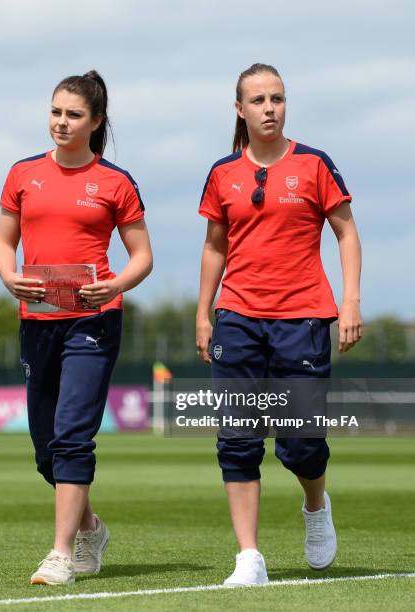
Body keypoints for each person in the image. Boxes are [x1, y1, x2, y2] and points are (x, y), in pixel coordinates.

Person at [196, 63, 362, 586]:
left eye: (278, 99)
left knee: (300, 443)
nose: (270, 108)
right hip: (238, 318)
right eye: (259, 100)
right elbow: (214, 247)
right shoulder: (223, 173)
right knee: (237, 439)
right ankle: (249, 557)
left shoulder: (314, 164)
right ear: (240, 110)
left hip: (304, 318)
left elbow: (347, 234)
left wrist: (350, 302)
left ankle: (316, 504)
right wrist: (204, 313)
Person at [0, 70, 153, 586]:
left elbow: (142, 257)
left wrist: (114, 287)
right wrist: (8, 276)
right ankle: (91, 527)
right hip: (37, 323)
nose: (62, 123)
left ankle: (61, 552)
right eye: (56, 112)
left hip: (94, 321)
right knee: (45, 451)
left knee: (72, 438)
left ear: (96, 122)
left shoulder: (115, 182)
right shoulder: (22, 174)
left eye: (74, 115)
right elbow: (3, 243)